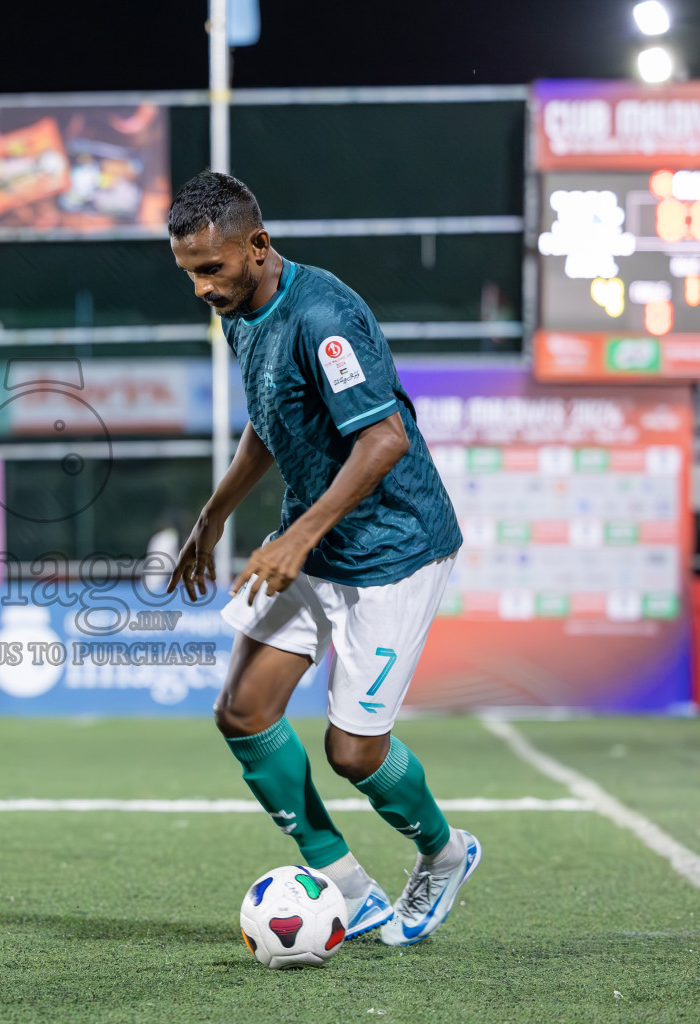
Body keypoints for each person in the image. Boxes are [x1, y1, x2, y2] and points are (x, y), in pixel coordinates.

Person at [165, 171, 479, 946]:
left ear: (259, 246)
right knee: (242, 710)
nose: (203, 287)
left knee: (352, 751)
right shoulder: (240, 310)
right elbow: (270, 420)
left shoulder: (322, 316)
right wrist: (212, 518)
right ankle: (348, 887)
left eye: (213, 268)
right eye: (190, 273)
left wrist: (295, 537)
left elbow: (385, 438)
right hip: (313, 541)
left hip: (393, 551)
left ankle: (444, 854)